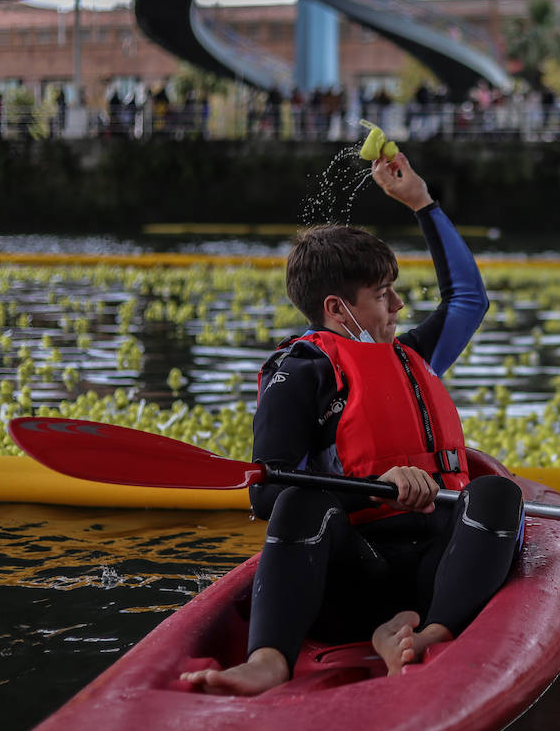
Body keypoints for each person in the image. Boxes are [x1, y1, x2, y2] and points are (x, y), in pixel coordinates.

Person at [180, 150, 522, 696]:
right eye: (383, 294)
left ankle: (423, 636)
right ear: (339, 310)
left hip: (443, 575)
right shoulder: (300, 372)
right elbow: (267, 498)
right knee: (299, 501)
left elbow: (468, 299)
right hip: (351, 578)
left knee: (499, 494)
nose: (400, 306)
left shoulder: (411, 357)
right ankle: (268, 660)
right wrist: (375, 490)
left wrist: (422, 203)